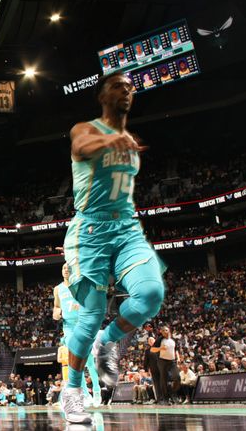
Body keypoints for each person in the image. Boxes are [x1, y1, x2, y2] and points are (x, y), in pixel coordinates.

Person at [59, 73, 166, 425]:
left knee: (150, 293)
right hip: (89, 230)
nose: (127, 90)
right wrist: (112, 143)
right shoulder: (85, 129)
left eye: (131, 87)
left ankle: (109, 340)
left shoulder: (130, 140)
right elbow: (80, 149)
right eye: (119, 85)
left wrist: (122, 142)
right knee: (89, 316)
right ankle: (72, 391)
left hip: (126, 227)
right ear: (103, 94)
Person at [53, 263, 101, 408]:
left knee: (90, 362)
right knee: (75, 363)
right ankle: (85, 394)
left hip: (82, 324)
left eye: (68, 268)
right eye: (64, 268)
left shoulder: (79, 284)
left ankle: (97, 391)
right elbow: (56, 306)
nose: (66, 270)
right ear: (61, 272)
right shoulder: (58, 289)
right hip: (69, 328)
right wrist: (56, 313)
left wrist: (81, 305)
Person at [154, 326, 179, 404]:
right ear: (161, 332)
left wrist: (178, 357)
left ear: (169, 330)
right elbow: (152, 349)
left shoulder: (173, 340)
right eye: (163, 331)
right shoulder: (159, 340)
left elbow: (176, 350)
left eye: (166, 330)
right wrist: (160, 348)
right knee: (164, 380)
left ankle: (173, 393)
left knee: (177, 377)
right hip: (162, 361)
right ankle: (166, 398)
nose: (165, 332)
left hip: (172, 361)